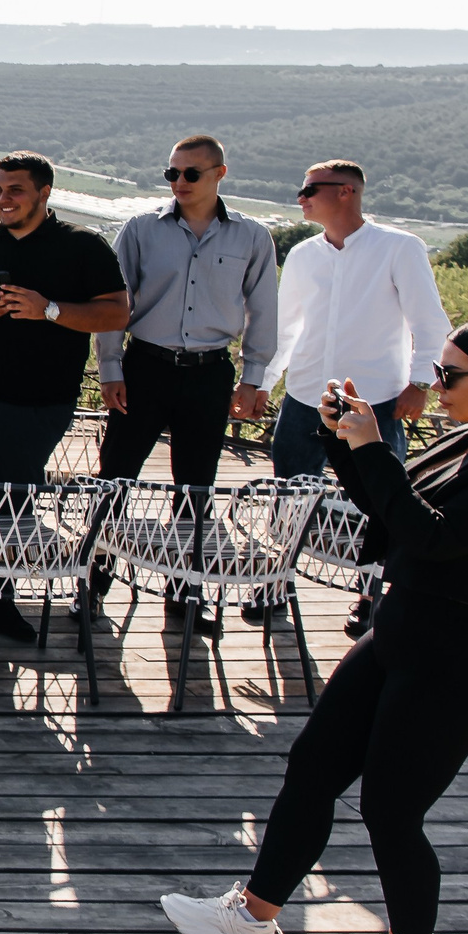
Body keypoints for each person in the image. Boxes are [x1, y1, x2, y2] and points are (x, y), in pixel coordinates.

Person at [160, 316, 468, 934]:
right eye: (438, 371)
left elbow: (431, 537)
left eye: (451, 374)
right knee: (313, 766)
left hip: (457, 664)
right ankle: (252, 919)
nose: (437, 385)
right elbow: (390, 517)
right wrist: (342, 441)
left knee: (391, 808)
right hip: (399, 635)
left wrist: (374, 446)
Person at [0, 152, 130, 640]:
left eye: (14, 189)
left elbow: (117, 313)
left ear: (44, 192)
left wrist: (49, 310)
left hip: (41, 402)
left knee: (13, 505)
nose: (2, 199)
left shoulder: (83, 246)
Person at [92, 136, 279, 627]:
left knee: (196, 489)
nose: (179, 182)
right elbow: (113, 303)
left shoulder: (252, 237)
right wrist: (110, 368)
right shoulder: (140, 230)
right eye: (171, 173)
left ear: (220, 174)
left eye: (190, 174)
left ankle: (184, 593)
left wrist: (253, 378)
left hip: (209, 374)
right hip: (145, 368)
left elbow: (263, 311)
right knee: (115, 478)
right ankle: (92, 585)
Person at [269, 159, 452, 631]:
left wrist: (420, 383)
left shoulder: (400, 248)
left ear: (346, 192)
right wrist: (263, 382)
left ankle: (370, 597)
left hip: (376, 402)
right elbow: (285, 328)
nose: (301, 197)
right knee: (290, 496)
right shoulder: (303, 255)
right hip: (305, 396)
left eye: (310, 189)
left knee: (380, 502)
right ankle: (275, 585)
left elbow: (430, 323)